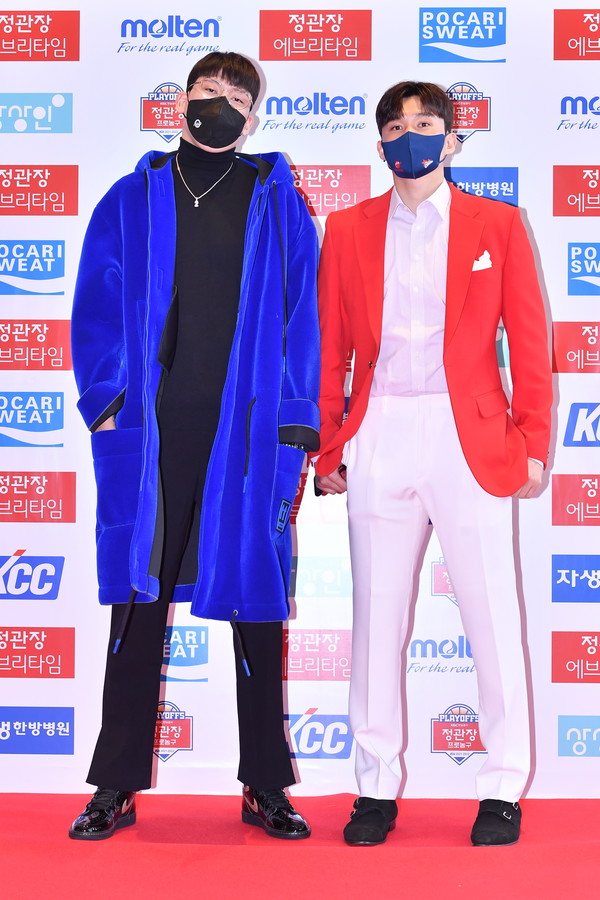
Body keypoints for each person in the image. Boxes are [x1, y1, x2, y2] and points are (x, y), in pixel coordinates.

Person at [69, 51, 320, 841]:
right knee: (136, 606)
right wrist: (107, 402)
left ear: (253, 116)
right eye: (209, 91)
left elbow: (302, 315)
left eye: (237, 96)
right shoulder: (131, 196)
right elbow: (96, 305)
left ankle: (265, 783)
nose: (221, 105)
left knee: (256, 605)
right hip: (153, 434)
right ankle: (114, 784)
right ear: (181, 101)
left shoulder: (277, 202)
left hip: (246, 435)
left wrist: (294, 419)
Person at [314, 80, 552, 847]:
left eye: (424, 123)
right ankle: (374, 787)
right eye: (395, 125)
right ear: (380, 143)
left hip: (468, 435)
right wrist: (328, 443)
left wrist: (534, 443)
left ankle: (502, 786)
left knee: (492, 614)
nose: (408, 135)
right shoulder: (346, 228)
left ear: (451, 140)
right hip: (380, 427)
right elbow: (330, 346)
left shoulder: (498, 224)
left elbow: (531, 342)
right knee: (376, 616)